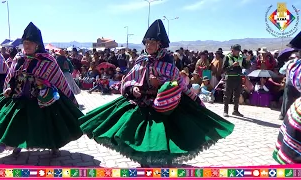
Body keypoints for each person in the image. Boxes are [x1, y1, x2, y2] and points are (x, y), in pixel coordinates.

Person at [78, 19, 234, 167]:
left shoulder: (168, 61)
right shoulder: (141, 60)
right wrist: (133, 88)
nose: (149, 45)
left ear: (159, 45)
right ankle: (143, 161)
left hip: (165, 104)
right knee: (140, 135)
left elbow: (177, 83)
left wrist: (161, 84)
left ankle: (166, 161)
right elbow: (129, 79)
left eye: (152, 43)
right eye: (147, 42)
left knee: (165, 136)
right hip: (141, 102)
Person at [0, 22, 83, 157]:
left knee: (48, 123)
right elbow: (11, 77)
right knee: (16, 121)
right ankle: (15, 143)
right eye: (25, 43)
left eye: (30, 43)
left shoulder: (48, 60)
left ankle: (54, 146)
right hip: (20, 96)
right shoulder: (19, 58)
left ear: (37, 45)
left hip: (43, 99)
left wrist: (44, 83)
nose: (27, 46)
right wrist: (9, 87)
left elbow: (59, 80)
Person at [273, 31, 301, 164]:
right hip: (291, 90)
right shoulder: (294, 66)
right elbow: (282, 71)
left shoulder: (293, 65)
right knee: (287, 101)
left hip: (295, 101)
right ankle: (282, 114)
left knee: (288, 102)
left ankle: (282, 114)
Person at [222, 44, 250, 117]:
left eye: (239, 50)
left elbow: (246, 66)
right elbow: (223, 69)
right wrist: (232, 66)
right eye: (236, 50)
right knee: (227, 95)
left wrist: (248, 60)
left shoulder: (241, 57)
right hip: (230, 78)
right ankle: (225, 111)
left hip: (238, 78)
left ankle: (235, 110)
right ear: (232, 50)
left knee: (237, 95)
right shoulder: (227, 57)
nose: (238, 52)